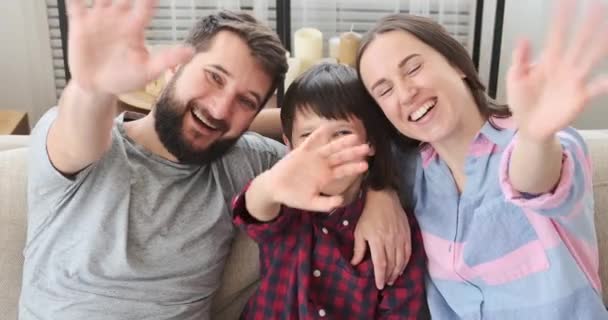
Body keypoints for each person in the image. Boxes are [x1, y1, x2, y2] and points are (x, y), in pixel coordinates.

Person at [20, 1, 411, 319]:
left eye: (246, 101)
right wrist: (92, 87)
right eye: (215, 77)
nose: (221, 108)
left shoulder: (247, 161)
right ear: (174, 67)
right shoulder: (88, 145)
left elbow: (329, 139)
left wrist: (381, 189)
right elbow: (79, 131)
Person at [356, 0, 608, 318]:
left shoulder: (539, 143)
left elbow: (533, 179)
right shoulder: (410, 168)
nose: (406, 93)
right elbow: (317, 125)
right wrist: (381, 192)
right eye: (385, 90)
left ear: (456, 64)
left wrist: (535, 136)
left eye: (413, 68)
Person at [232, 63, 428, 319]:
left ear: (371, 142)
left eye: (342, 133)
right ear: (289, 145)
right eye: (308, 136)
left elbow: (402, 310)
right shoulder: (286, 204)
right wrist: (273, 185)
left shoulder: (394, 230)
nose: (326, 150)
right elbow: (252, 211)